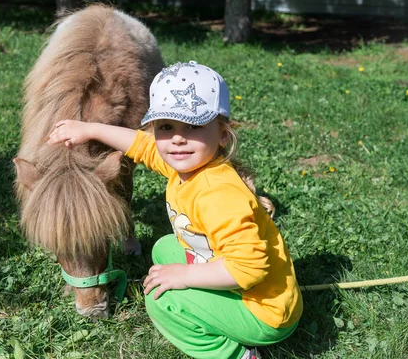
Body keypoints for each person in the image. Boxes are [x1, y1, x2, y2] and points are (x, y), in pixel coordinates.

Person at [47, 61, 303, 359]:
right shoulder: (188, 165)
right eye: (166, 127)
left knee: (161, 300)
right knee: (166, 248)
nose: (178, 138)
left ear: (222, 133)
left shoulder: (217, 195)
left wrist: (184, 277)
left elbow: (248, 269)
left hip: (264, 313)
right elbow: (142, 147)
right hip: (242, 283)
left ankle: (238, 354)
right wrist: (89, 129)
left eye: (193, 126)